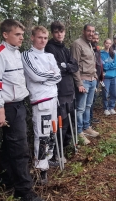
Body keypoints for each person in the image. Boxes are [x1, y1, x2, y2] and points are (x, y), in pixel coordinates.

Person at [0, 19, 43, 201]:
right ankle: (25, 192)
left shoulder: (16, 53)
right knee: (20, 149)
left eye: (22, 34)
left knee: (8, 146)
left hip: (19, 105)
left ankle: (6, 180)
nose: (21, 38)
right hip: (8, 107)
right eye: (17, 34)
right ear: (5, 34)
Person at [22, 26, 61, 183]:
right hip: (41, 100)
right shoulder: (26, 55)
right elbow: (35, 76)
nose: (43, 41)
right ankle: (41, 167)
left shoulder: (50, 55)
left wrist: (49, 76)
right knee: (42, 134)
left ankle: (48, 158)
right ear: (32, 37)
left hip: (53, 98)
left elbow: (58, 76)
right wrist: (49, 75)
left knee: (52, 130)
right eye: (39, 37)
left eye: (45, 38)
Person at [44, 21, 78, 164]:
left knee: (72, 121)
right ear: (53, 33)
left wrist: (67, 66)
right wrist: (66, 67)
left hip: (70, 89)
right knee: (61, 123)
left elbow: (75, 65)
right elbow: (55, 69)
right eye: (57, 32)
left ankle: (67, 146)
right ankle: (58, 153)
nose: (59, 34)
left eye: (61, 31)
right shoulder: (50, 48)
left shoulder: (65, 48)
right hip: (59, 91)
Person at [71, 24, 99, 145]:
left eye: (93, 31)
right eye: (89, 31)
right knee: (80, 108)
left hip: (92, 80)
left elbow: (90, 62)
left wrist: (95, 76)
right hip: (83, 81)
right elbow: (74, 65)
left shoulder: (89, 44)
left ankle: (87, 127)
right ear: (84, 31)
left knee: (88, 106)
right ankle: (79, 132)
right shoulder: (77, 44)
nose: (91, 33)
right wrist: (79, 83)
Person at [101, 38, 116, 115]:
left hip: (114, 76)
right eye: (107, 43)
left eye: (110, 43)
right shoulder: (101, 54)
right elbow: (103, 66)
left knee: (113, 93)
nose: (108, 45)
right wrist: (110, 65)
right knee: (105, 93)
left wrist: (108, 65)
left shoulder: (113, 53)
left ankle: (111, 107)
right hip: (106, 77)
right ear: (104, 43)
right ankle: (106, 108)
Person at [90, 31, 104, 124]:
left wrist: (101, 75)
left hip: (98, 77)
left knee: (93, 99)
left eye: (97, 38)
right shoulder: (89, 49)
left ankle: (90, 118)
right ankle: (87, 121)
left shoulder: (97, 50)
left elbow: (99, 63)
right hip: (91, 77)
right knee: (89, 101)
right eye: (94, 38)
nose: (95, 40)